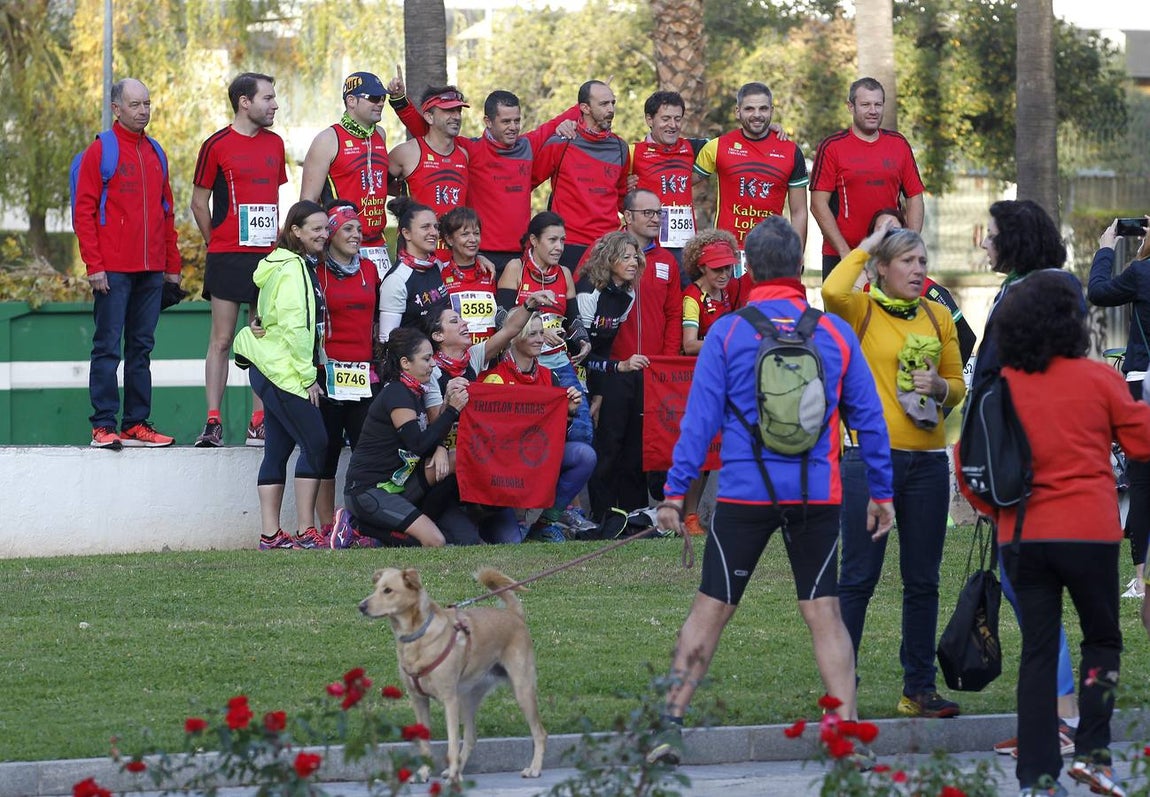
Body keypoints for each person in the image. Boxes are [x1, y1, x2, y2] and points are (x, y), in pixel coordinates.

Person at [647, 215, 895, 767]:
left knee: (710, 609)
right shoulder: (833, 334)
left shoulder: (729, 332)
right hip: (817, 495)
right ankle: (845, 733)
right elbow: (870, 421)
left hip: (742, 493)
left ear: (749, 269)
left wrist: (673, 493)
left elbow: (698, 423)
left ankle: (669, 725)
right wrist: (882, 492)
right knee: (824, 613)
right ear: (801, 270)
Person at [957, 271, 1150, 797]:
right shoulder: (1100, 381)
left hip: (1024, 534)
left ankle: (1037, 778)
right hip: (1090, 532)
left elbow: (968, 460)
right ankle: (1093, 755)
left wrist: (996, 515)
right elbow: (1142, 442)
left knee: (1039, 651)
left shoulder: (1005, 385)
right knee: (1102, 640)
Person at [822, 222, 966, 719]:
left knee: (923, 580)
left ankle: (918, 689)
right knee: (858, 577)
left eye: (922, 261)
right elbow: (831, 288)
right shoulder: (860, 308)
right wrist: (866, 244)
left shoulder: (938, 314)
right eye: (907, 261)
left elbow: (957, 383)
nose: (918, 270)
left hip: (927, 461)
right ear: (882, 268)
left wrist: (940, 388)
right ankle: (842, 692)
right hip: (868, 461)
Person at [973, 198, 1083, 759]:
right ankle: (1056, 715)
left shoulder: (1032, 294)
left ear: (1014, 240)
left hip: (1026, 464)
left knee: (1030, 591)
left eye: (991, 235)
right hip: (1036, 459)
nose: (984, 244)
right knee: (1028, 591)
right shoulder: (1053, 286)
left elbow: (1006, 377)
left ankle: (1060, 721)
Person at [74, 77, 180, 449]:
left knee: (141, 348)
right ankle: (103, 425)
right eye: (135, 105)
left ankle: (136, 423)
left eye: (147, 104)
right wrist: (94, 265)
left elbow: (168, 212)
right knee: (107, 347)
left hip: (152, 270)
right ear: (116, 109)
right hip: (113, 270)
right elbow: (83, 212)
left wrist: (172, 264)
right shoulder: (100, 151)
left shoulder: (155, 152)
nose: (143, 111)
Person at [389, 77, 579, 273]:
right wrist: (401, 103)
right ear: (488, 122)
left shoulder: (527, 145)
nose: (513, 127)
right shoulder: (469, 150)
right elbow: (432, 131)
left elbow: (552, 125)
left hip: (520, 255)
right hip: (479, 253)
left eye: (516, 121)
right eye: (506, 121)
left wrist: (586, 105)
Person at [412, 289, 557, 544]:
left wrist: (529, 304)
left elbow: (510, 331)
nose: (465, 323)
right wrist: (449, 404)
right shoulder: (431, 370)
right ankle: (428, 522)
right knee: (467, 541)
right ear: (437, 336)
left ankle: (478, 514)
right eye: (455, 321)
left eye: (462, 319)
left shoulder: (475, 357)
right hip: (445, 464)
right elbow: (435, 422)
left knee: (510, 540)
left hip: (477, 466)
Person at [192, 72, 287, 448]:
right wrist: (215, 243)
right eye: (267, 98)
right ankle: (213, 422)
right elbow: (198, 203)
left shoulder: (276, 144)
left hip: (267, 257)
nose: (274, 104)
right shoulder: (216, 144)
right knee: (222, 339)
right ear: (244, 102)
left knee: (261, 337)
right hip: (227, 255)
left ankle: (258, 421)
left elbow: (271, 199)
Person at [231, 201, 329, 550]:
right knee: (316, 443)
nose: (323, 233)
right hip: (284, 372)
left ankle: (270, 535)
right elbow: (296, 326)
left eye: (325, 227)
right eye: (315, 228)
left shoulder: (284, 264)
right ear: (295, 232)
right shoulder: (294, 268)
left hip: (268, 367)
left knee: (277, 449)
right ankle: (305, 531)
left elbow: (266, 315)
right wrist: (307, 377)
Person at [591, 189, 683, 523]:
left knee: (637, 448)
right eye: (648, 212)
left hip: (652, 372)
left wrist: (666, 363)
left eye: (659, 213)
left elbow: (674, 315)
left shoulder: (668, 261)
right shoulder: (602, 253)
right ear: (627, 216)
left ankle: (631, 515)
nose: (655, 218)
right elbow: (585, 307)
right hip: (614, 369)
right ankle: (602, 516)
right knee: (609, 443)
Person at [342, 327, 478, 547]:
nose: (433, 364)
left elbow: (431, 436)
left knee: (456, 459)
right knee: (435, 541)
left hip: (398, 483)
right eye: (426, 359)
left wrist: (443, 442)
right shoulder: (397, 393)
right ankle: (358, 529)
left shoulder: (415, 391)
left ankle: (446, 517)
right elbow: (418, 445)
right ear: (406, 363)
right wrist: (452, 410)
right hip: (370, 490)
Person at [479, 314, 597, 542]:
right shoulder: (495, 379)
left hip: (535, 459)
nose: (539, 339)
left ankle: (545, 523)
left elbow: (554, 437)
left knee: (584, 455)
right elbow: (490, 443)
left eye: (541, 333)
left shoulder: (550, 376)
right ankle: (497, 520)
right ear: (514, 337)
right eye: (531, 333)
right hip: (505, 472)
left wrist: (569, 414)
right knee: (513, 542)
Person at [1087, 217, 1150, 599]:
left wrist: (1107, 248)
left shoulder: (1141, 273)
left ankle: (1142, 577)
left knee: (1142, 482)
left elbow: (1099, 291)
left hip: (1142, 384)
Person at [313, 201, 381, 542]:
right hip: (329, 373)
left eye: (358, 229)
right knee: (327, 450)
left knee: (363, 450)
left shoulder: (370, 270)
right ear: (331, 236)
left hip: (364, 373)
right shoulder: (317, 271)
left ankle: (360, 522)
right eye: (347, 229)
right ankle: (327, 524)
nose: (356, 234)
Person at [810, 77, 926, 278]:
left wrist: (909, 244)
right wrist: (845, 252)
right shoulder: (832, 147)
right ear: (851, 107)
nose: (873, 110)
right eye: (865, 105)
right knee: (840, 311)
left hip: (888, 255)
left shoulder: (899, 145)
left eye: (877, 104)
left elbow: (915, 196)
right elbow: (818, 205)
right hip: (842, 255)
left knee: (888, 310)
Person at [496, 211, 593, 445]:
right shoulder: (515, 267)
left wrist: (582, 340)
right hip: (523, 365)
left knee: (582, 432)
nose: (559, 247)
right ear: (534, 240)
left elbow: (573, 320)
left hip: (559, 362)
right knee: (527, 435)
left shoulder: (565, 273)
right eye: (552, 240)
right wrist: (536, 331)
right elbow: (500, 319)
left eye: (563, 240)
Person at [678, 229, 747, 535]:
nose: (724, 274)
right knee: (700, 447)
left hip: (726, 378)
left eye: (728, 267)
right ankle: (690, 515)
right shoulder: (693, 297)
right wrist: (727, 339)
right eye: (717, 268)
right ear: (701, 267)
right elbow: (689, 344)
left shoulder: (731, 290)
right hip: (697, 380)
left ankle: (719, 511)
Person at [693, 82, 809, 250]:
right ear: (737, 112)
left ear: (772, 111)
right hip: (727, 253)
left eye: (763, 109)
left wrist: (797, 257)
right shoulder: (718, 146)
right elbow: (683, 182)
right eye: (749, 109)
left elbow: (799, 212)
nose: (757, 115)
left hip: (771, 254)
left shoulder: (791, 152)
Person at [300, 72, 392, 276]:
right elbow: (308, 201)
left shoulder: (380, 135)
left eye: (383, 98)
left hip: (377, 242)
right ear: (351, 101)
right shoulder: (328, 139)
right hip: (341, 243)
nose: (380, 103)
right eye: (374, 98)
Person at [532, 80, 629, 268]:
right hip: (569, 245)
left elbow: (622, 198)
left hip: (609, 246)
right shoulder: (561, 142)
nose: (611, 109)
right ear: (584, 107)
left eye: (612, 103)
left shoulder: (620, 147)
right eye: (603, 104)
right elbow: (528, 183)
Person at [863, 208, 977, 366]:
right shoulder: (867, 291)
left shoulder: (928, 290)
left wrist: (943, 381)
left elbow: (966, 337)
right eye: (882, 232)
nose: (888, 237)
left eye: (895, 231)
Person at [388, 85, 469, 218]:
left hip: (453, 237)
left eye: (458, 110)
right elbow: (376, 185)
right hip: (415, 238)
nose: (456, 117)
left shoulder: (463, 155)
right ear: (429, 117)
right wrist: (407, 192)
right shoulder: (405, 153)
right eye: (449, 110)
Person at [378, 196, 449, 340]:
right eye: (425, 227)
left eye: (436, 227)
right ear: (406, 233)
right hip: (414, 359)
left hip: (441, 358)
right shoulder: (397, 280)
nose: (434, 233)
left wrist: (480, 258)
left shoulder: (437, 265)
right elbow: (387, 339)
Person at [439, 207, 498, 344]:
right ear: (449, 239)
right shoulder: (440, 273)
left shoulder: (490, 272)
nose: (473, 239)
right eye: (465, 234)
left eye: (476, 233)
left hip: (490, 356)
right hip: (455, 356)